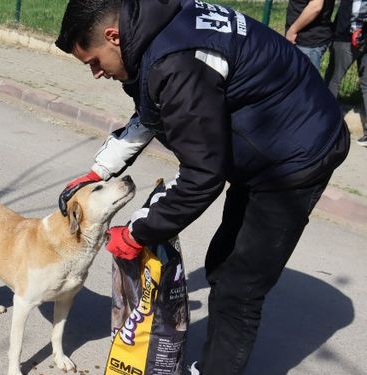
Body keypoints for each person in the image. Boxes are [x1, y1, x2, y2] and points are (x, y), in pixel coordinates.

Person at [55, 0, 350, 374]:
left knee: (239, 288)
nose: (96, 73)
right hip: (266, 140)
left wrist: (137, 233)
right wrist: (99, 171)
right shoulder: (154, 30)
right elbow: (153, 110)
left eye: (94, 61)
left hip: (297, 156)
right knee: (223, 261)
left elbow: (201, 176)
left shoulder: (175, 60)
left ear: (113, 36)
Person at [325, 0, 367, 147]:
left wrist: (356, 28)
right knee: (366, 86)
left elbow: (359, 2)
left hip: (349, 36)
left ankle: (326, 129)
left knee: (332, 81)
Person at [285, 0, 335, 70]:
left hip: (308, 41)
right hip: (301, 39)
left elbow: (315, 6)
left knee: (305, 78)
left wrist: (293, 30)